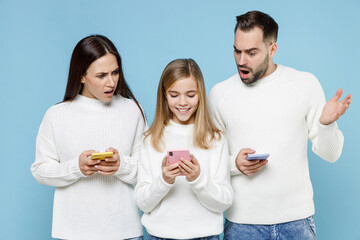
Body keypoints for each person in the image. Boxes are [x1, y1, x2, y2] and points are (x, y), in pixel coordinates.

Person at [208, 11, 351, 240]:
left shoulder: (304, 84)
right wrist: (235, 163)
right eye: (237, 51)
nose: (241, 61)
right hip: (243, 225)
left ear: (272, 49)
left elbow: (331, 154)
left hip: (297, 223)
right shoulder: (220, 94)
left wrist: (325, 125)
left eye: (251, 52)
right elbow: (209, 162)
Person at [31, 35, 146, 240]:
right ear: (82, 76)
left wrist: (121, 165)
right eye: (101, 75)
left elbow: (148, 170)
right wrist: (77, 167)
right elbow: (40, 171)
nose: (111, 82)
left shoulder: (132, 110)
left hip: (125, 231)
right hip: (74, 233)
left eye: (115, 72)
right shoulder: (56, 115)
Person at [134, 59, 233, 240]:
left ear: (200, 94)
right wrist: (164, 180)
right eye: (174, 95)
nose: (182, 102)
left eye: (190, 94)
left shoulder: (216, 139)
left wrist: (198, 179)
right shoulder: (150, 139)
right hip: (161, 236)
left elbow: (224, 201)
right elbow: (143, 204)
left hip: (206, 236)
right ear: (164, 95)